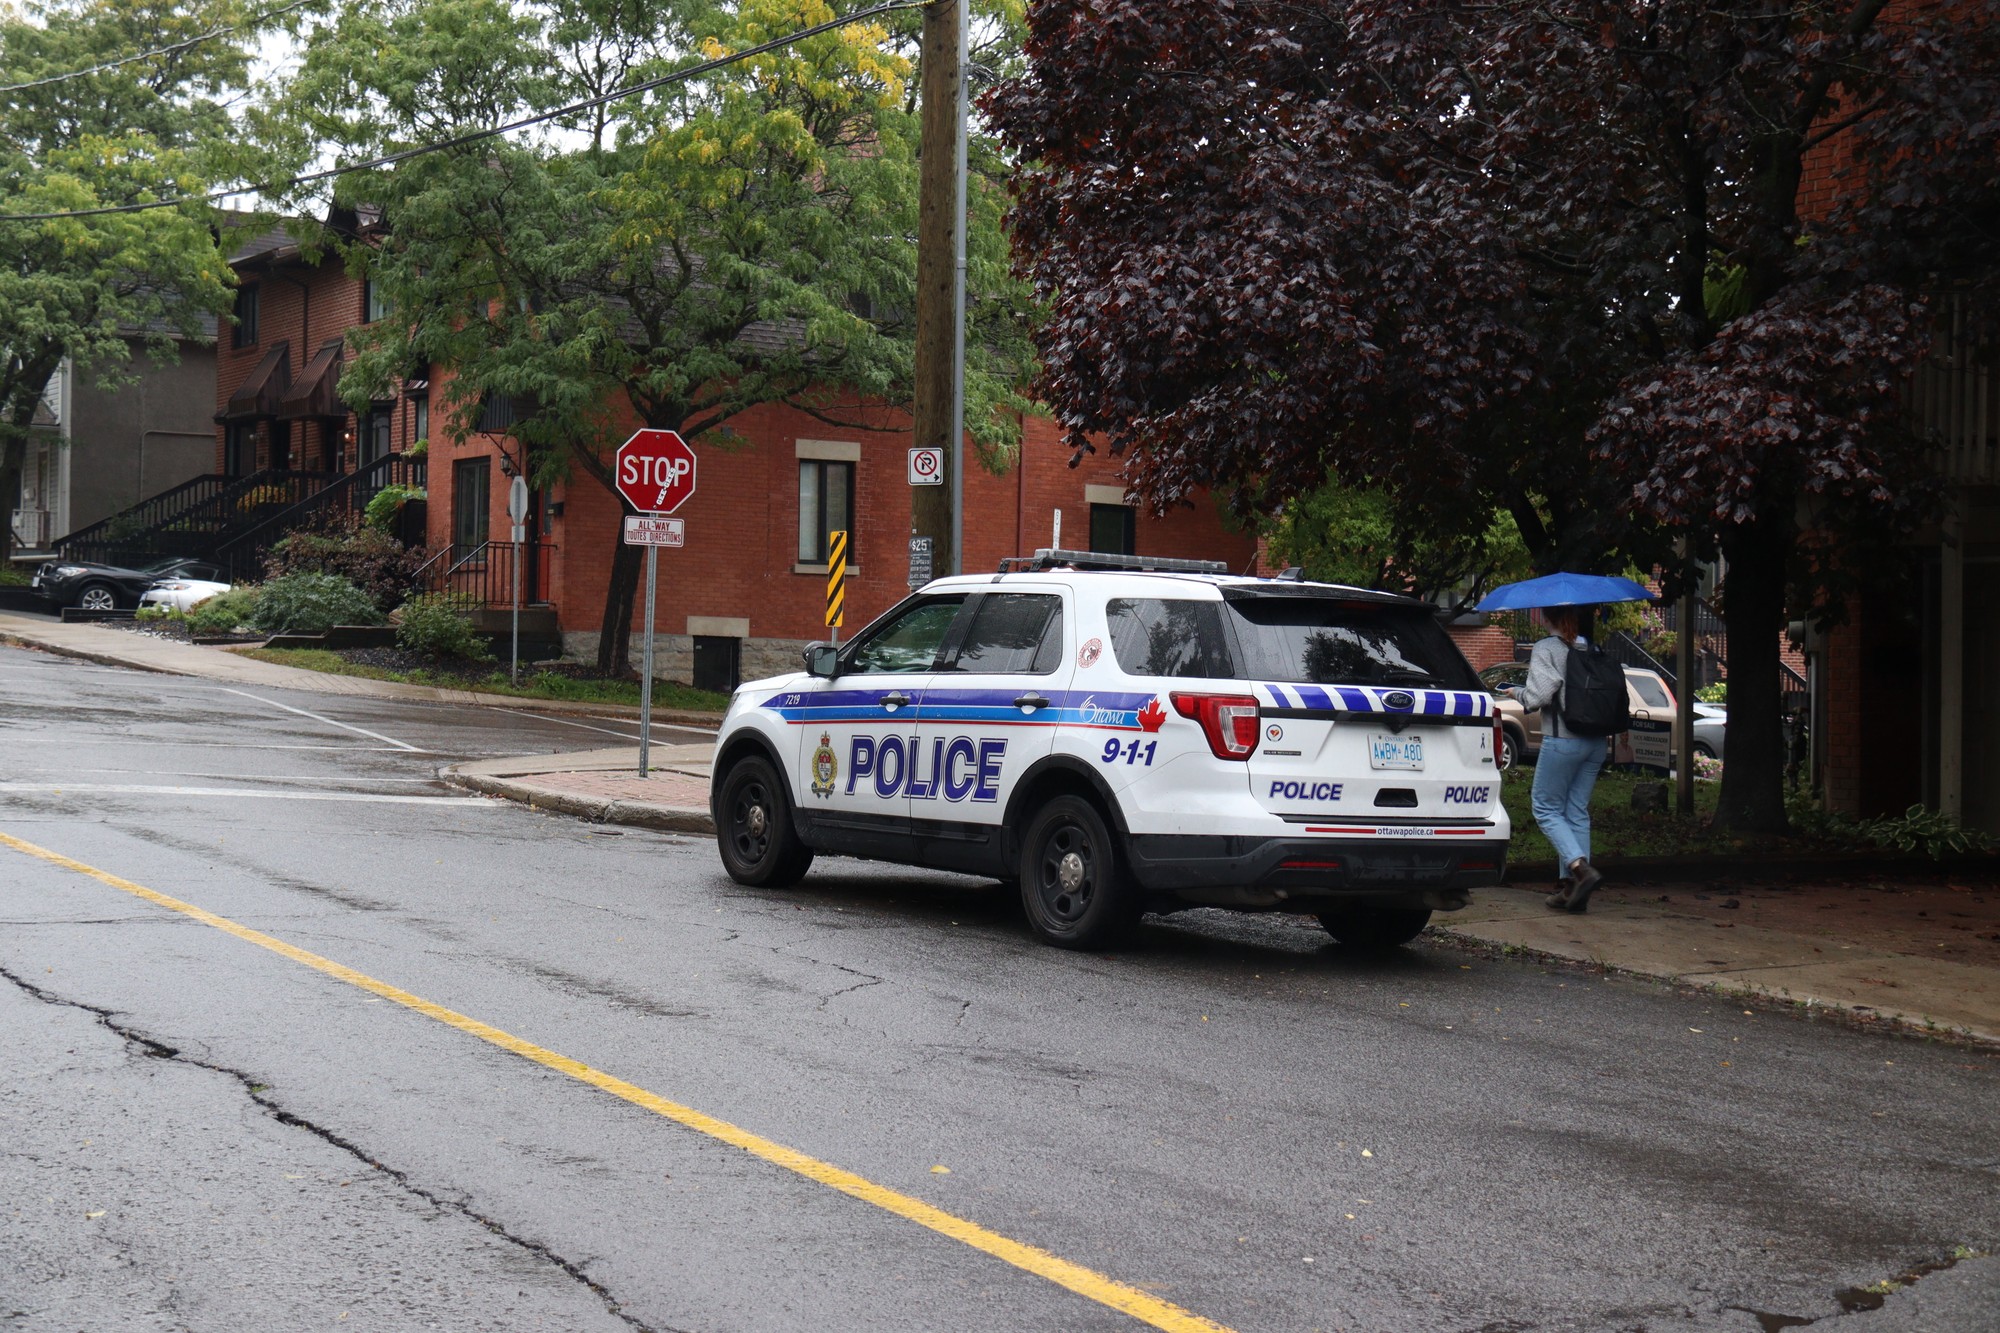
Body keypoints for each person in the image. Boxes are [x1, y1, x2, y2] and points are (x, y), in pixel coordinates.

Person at [1508, 604, 1607, 912]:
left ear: (1545, 617)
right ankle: (1572, 890)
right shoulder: (1590, 647)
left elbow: (1539, 696)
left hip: (1564, 739)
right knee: (1576, 810)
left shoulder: (1546, 648)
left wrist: (1516, 693)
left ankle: (1580, 869)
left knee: (1545, 808)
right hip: (1596, 742)